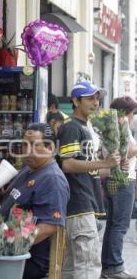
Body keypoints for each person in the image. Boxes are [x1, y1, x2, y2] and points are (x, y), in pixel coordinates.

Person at [57, 81, 120, 279]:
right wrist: (103, 162)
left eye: (97, 98)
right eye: (90, 98)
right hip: (79, 205)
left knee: (72, 268)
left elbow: (89, 171)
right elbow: (67, 164)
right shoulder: (71, 127)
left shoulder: (85, 127)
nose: (96, 102)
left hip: (85, 205)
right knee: (88, 267)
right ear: (76, 101)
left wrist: (112, 167)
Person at [0, 123, 70, 279]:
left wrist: (8, 245)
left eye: (34, 146)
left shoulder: (52, 180)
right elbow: (5, 203)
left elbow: (49, 226)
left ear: (50, 148)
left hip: (27, 260)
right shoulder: (28, 169)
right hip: (7, 252)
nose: (27, 152)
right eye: (24, 145)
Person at [100, 96, 137, 279]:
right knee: (120, 225)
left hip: (113, 178)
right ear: (126, 112)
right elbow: (125, 152)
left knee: (113, 224)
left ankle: (109, 265)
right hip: (123, 181)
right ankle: (114, 266)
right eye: (133, 112)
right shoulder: (120, 124)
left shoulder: (110, 124)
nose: (133, 116)